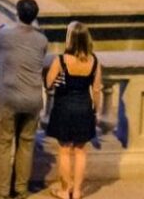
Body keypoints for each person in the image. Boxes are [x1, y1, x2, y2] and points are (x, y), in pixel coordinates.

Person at [0, 0, 48, 199]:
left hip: (9, 97)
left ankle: (1, 190)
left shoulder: (6, 35)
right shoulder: (42, 40)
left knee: (4, 144)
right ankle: (21, 189)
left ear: (17, 13)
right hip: (33, 98)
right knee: (26, 144)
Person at [44, 22, 101, 199]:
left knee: (64, 150)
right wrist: (95, 110)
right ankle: (76, 192)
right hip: (84, 107)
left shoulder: (61, 60)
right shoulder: (94, 61)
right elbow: (97, 89)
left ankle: (65, 189)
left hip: (64, 107)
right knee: (81, 151)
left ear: (70, 39)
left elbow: (49, 83)